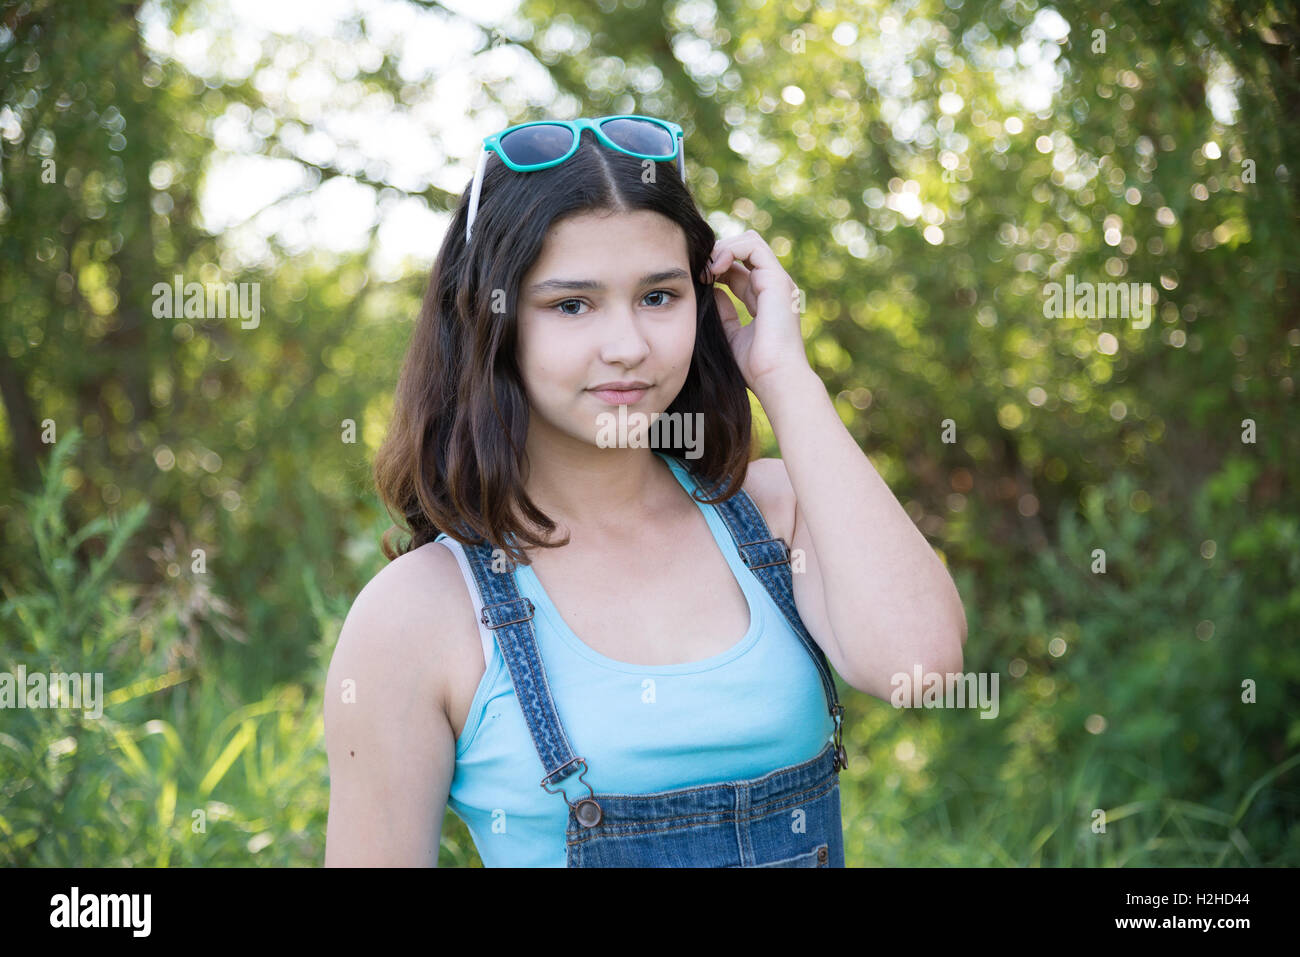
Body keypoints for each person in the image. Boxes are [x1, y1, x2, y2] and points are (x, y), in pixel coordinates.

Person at [323, 115, 967, 867]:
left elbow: (920, 668)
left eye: (659, 296)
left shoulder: (776, 515)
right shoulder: (419, 612)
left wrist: (785, 376)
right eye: (571, 304)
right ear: (490, 322)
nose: (628, 345)